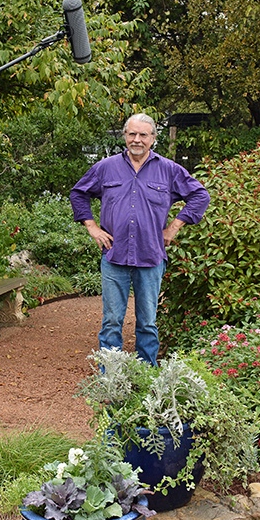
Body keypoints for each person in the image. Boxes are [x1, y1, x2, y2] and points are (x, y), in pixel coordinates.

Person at [70, 113, 210, 366]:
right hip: (114, 256)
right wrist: (91, 227)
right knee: (111, 321)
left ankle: (146, 376)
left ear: (153, 138)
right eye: (132, 134)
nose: (137, 140)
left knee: (147, 322)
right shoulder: (106, 167)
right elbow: (78, 193)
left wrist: (174, 228)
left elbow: (200, 196)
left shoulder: (169, 170)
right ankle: (111, 376)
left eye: (143, 135)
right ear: (125, 135)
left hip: (151, 255)